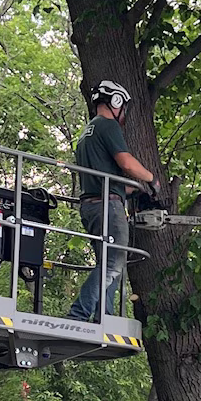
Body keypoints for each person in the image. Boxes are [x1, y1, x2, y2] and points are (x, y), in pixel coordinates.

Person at [67, 79, 160, 321]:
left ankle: (104, 316)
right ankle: (79, 314)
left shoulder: (87, 133)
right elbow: (126, 163)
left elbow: (104, 177)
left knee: (109, 265)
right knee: (112, 265)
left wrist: (132, 190)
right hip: (108, 207)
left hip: (92, 206)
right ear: (115, 101)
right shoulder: (108, 126)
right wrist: (151, 180)